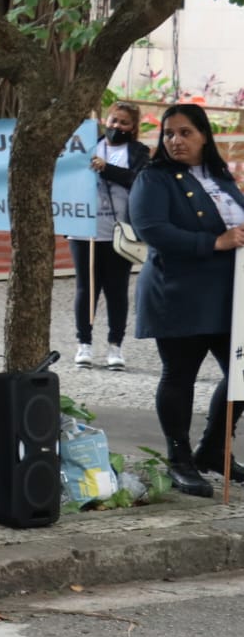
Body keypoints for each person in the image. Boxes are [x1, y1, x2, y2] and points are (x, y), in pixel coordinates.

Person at [130, 103, 244, 497]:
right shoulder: (153, 178)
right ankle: (179, 459)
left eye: (185, 133)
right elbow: (151, 229)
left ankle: (213, 448)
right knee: (180, 374)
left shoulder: (219, 175)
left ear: (204, 136)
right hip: (178, 291)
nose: (175, 141)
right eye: (168, 133)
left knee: (241, 372)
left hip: (227, 294)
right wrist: (214, 242)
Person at [71, 101, 149, 370]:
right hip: (85, 229)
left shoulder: (138, 152)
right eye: (114, 120)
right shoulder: (87, 146)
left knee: (116, 290)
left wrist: (107, 168)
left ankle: (115, 345)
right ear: (106, 120)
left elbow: (138, 179)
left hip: (119, 232)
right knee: (86, 288)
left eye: (124, 122)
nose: (117, 126)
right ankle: (84, 343)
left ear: (133, 127)